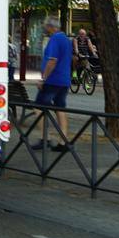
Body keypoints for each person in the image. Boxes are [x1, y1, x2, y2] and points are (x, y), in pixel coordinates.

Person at [35, 17, 71, 152]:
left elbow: (52, 60)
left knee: (38, 108)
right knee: (60, 109)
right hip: (64, 80)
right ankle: (64, 141)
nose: (45, 28)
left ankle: (45, 138)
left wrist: (44, 79)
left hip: (52, 80)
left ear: (51, 27)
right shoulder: (66, 39)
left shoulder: (55, 39)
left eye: (45, 26)